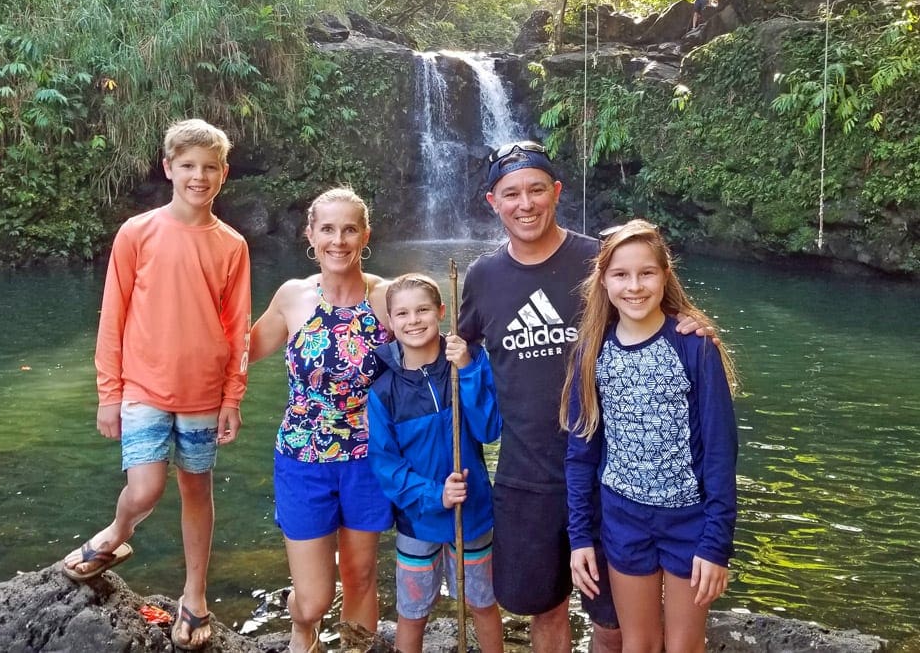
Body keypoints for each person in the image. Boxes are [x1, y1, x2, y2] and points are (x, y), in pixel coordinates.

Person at [458, 141, 716, 653]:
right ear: (493, 202)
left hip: (608, 475)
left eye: (536, 190)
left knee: (614, 619)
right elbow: (452, 357)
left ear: (556, 192)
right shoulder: (482, 277)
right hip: (526, 476)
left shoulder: (598, 263)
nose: (525, 204)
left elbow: (663, 308)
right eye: (511, 194)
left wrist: (694, 323)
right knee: (545, 609)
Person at [61, 118, 251, 651]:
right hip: (143, 386)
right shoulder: (137, 232)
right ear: (168, 168)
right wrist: (109, 393)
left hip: (204, 393)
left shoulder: (232, 244)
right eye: (188, 166)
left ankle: (195, 593)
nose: (198, 176)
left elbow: (237, 327)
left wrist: (232, 396)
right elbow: (113, 316)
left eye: (209, 167)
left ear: (223, 174)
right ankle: (119, 532)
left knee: (197, 490)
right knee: (145, 488)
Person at [562, 219, 739, 653]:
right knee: (637, 643)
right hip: (624, 520)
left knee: (684, 646)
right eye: (621, 275)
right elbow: (580, 453)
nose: (635, 286)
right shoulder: (592, 353)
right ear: (603, 281)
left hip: (690, 522)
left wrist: (717, 543)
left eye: (647, 273)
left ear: (665, 276)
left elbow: (720, 452)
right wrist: (580, 536)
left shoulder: (695, 347)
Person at [248, 187, 393, 653]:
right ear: (310, 236)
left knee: (361, 575)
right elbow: (240, 353)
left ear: (365, 235)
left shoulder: (388, 297)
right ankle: (302, 626)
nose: (338, 240)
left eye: (349, 229)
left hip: (369, 460)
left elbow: (428, 351)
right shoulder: (293, 297)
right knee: (312, 600)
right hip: (302, 459)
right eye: (327, 229)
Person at [367, 273, 504, 653]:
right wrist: (433, 494)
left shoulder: (468, 364)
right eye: (403, 314)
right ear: (390, 323)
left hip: (473, 513)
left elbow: (489, 428)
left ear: (442, 312)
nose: (414, 320)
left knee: (482, 602)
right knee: (413, 612)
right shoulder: (384, 391)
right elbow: (385, 465)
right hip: (418, 518)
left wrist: (470, 370)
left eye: (423, 310)